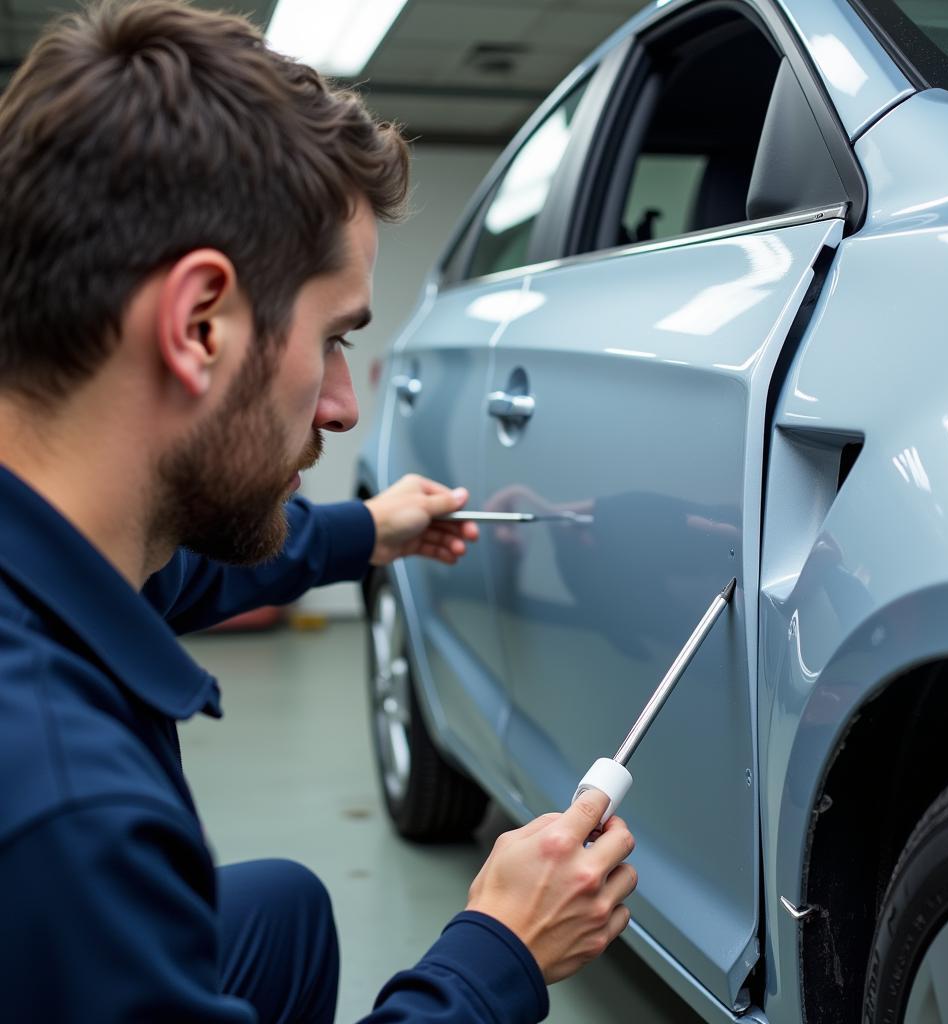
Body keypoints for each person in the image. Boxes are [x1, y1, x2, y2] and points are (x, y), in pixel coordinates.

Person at [0, 2, 637, 1022]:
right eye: (335, 338)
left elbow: (176, 569)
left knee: (282, 911)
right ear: (199, 324)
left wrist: (371, 530)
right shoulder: (67, 810)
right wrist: (498, 955)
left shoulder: (50, 540)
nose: (345, 404)